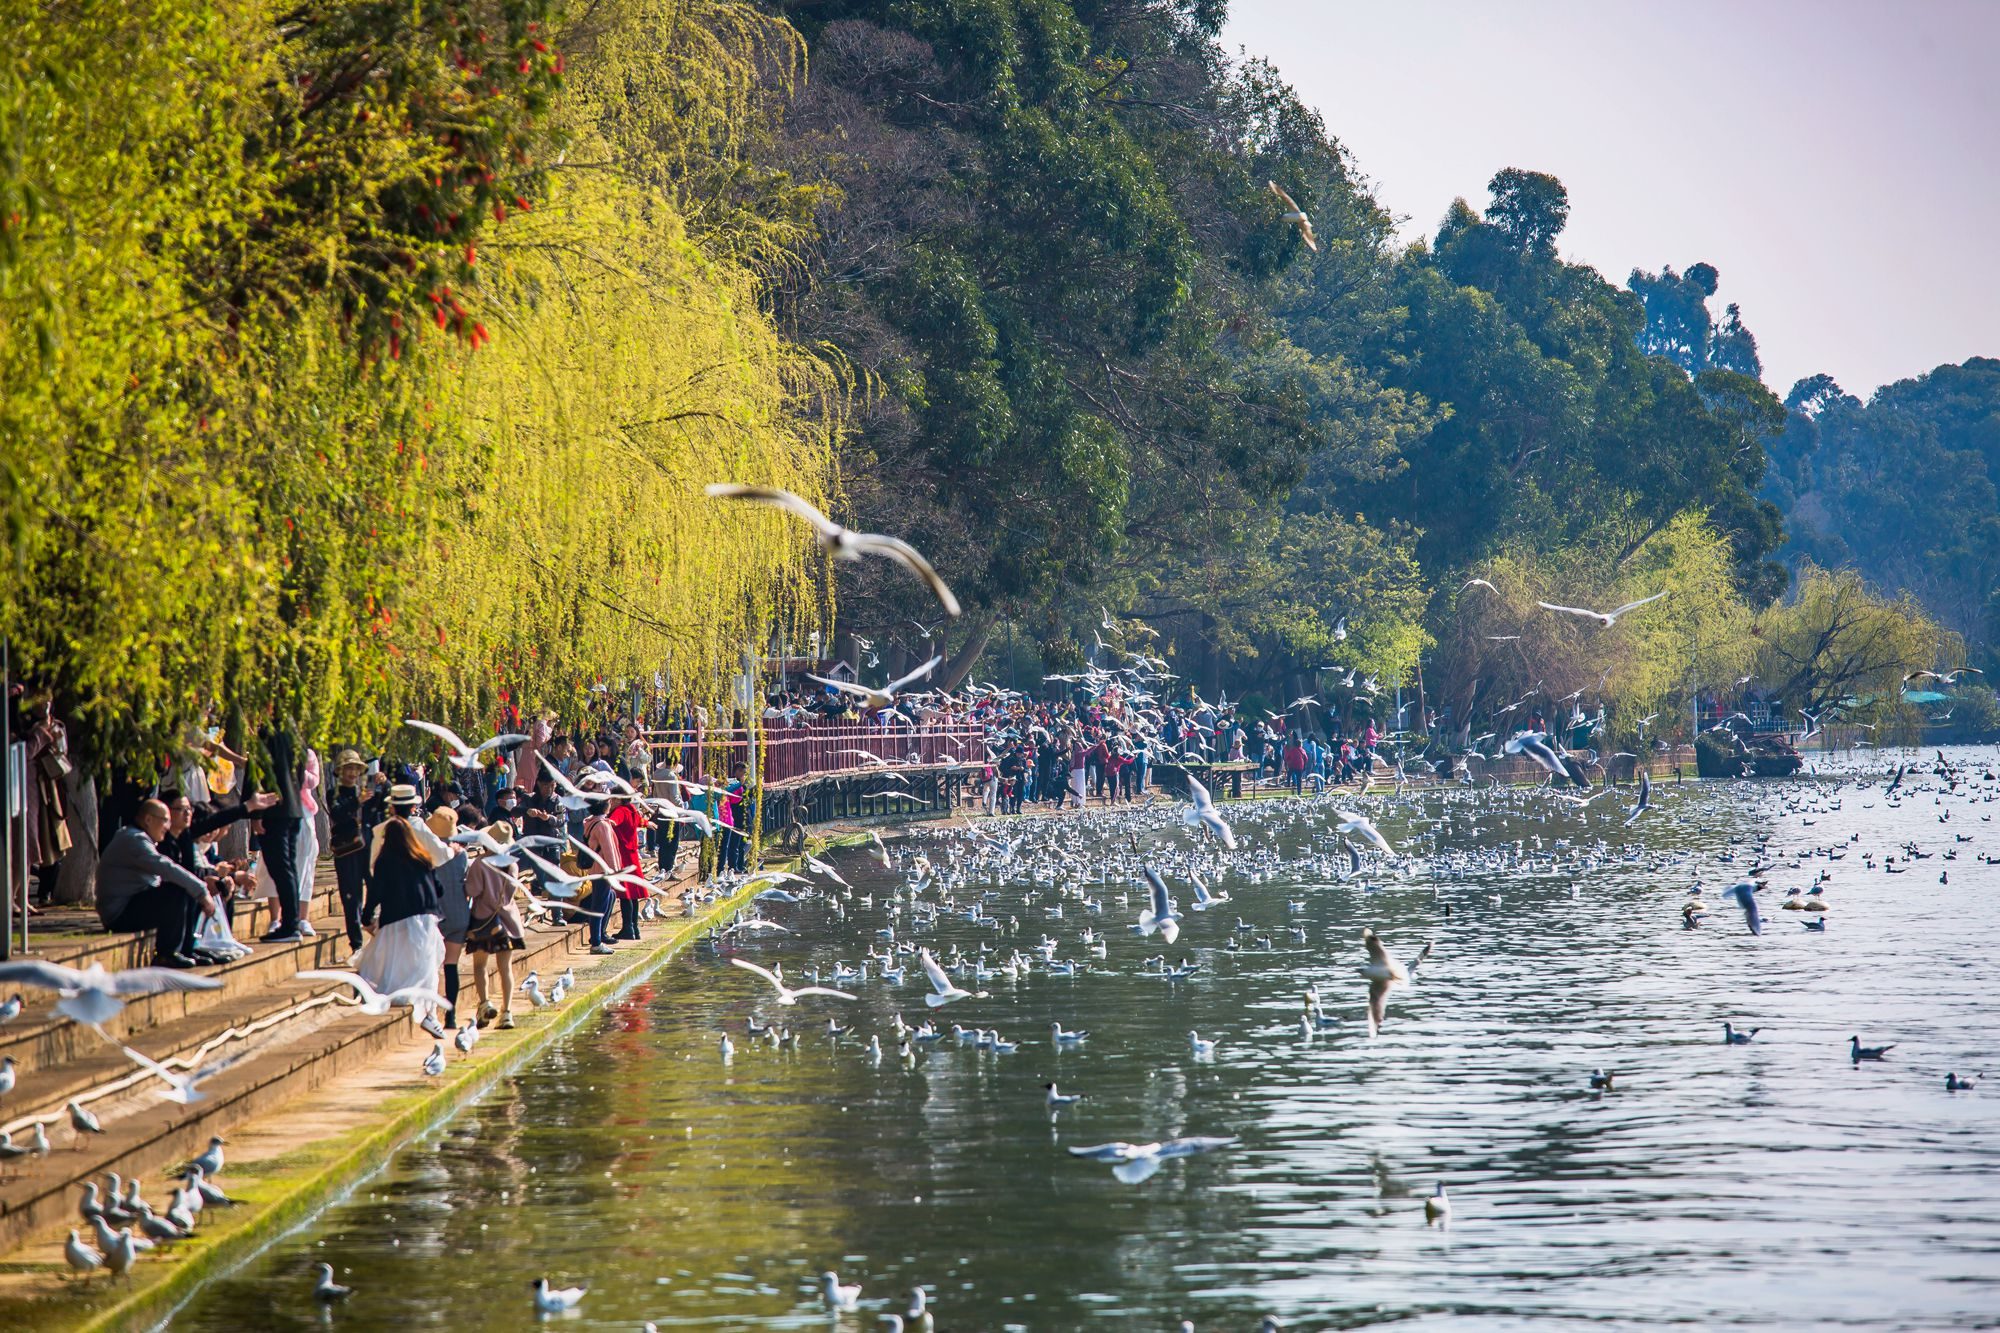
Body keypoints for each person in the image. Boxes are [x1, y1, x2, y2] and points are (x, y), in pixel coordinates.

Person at [353, 784, 449, 1022]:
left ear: (393, 807)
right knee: (423, 961)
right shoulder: (422, 850)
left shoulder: (383, 836)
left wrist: (367, 914)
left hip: (397, 909)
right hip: (423, 911)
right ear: (413, 806)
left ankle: (407, 999)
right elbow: (440, 872)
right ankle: (428, 1010)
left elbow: (375, 879)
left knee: (397, 956)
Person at [96, 799, 225, 967]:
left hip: (132, 904)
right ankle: (166, 953)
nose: (168, 825)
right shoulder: (134, 839)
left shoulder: (140, 837)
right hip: (119, 914)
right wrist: (202, 891)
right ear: (149, 820)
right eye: (165, 820)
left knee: (186, 888)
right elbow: (166, 867)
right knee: (178, 889)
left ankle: (186, 948)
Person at [463, 843, 527, 1029]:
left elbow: (473, 891)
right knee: (505, 968)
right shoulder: (512, 864)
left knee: (480, 965)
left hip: (482, 920)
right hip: (508, 922)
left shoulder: (480, 862)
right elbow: (510, 894)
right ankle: (506, 1012)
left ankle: (484, 1003)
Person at [428, 806, 470, 1028]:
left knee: (432, 968)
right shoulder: (462, 855)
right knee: (451, 966)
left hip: (434, 916)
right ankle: (451, 1016)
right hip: (458, 914)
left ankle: (432, 1014)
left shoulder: (427, 854)